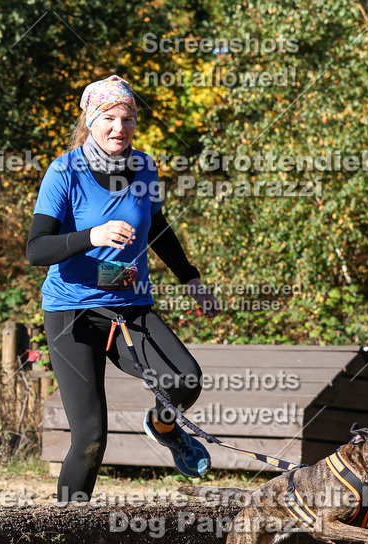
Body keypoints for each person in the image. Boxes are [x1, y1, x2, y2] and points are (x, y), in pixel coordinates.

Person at [27, 75, 221, 502]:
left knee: (186, 380)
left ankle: (164, 426)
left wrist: (190, 277)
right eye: (109, 118)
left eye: (128, 119)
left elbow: (159, 228)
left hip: (129, 305)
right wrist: (91, 236)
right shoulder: (65, 171)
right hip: (72, 312)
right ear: (90, 120)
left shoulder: (146, 167)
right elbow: (36, 249)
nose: (119, 127)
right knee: (92, 437)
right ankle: (66, 530)